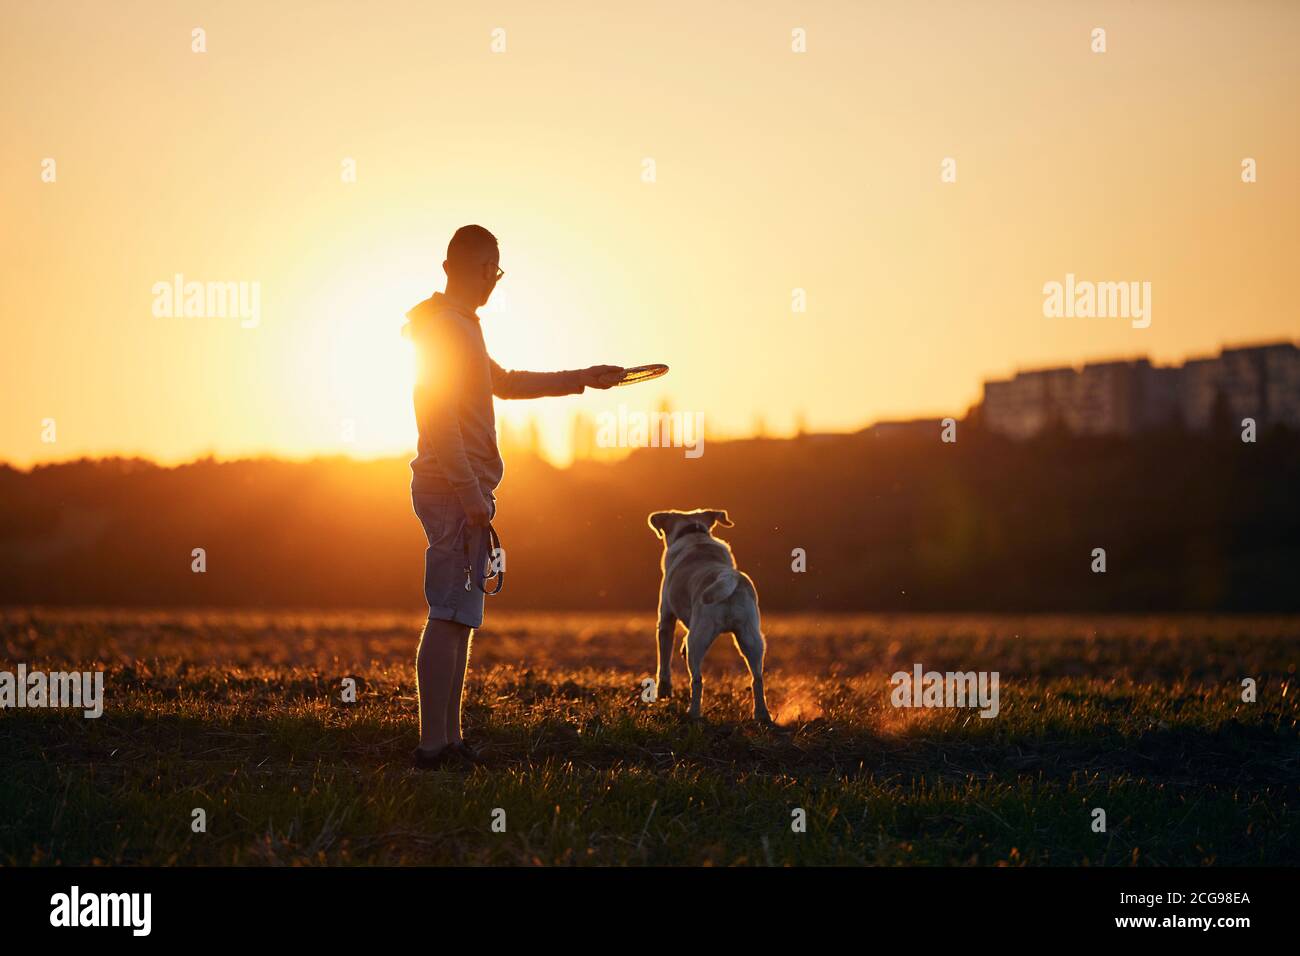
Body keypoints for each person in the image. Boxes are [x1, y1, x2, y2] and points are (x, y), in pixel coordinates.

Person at [405, 224, 623, 769]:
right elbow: (438, 420)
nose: (495, 282)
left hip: (467, 488)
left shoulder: (462, 327)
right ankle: (433, 748)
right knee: (447, 612)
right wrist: (469, 491)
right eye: (492, 270)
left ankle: (450, 743)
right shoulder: (442, 330)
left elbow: (503, 382)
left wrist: (582, 378)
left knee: (461, 615)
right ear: (471, 267)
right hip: (455, 488)